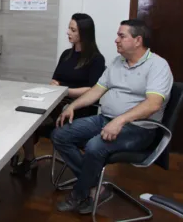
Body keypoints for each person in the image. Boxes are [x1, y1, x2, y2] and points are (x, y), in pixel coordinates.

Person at [51, 19, 173, 214]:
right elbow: (97, 90)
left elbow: (153, 104)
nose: (116, 40)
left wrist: (120, 120)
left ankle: (79, 194)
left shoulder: (158, 66)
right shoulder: (118, 62)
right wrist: (72, 105)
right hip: (106, 119)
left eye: (121, 36)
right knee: (60, 135)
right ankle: (95, 188)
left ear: (137, 40)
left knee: (94, 146)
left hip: (139, 128)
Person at [12, 13, 105, 175]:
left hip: (80, 109)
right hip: (57, 103)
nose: (68, 32)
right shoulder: (66, 55)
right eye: (68, 28)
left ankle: (86, 174)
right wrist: (56, 88)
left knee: (39, 122)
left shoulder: (96, 59)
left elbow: (93, 89)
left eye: (73, 30)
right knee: (25, 118)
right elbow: (54, 81)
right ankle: (29, 159)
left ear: (84, 33)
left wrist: (64, 91)